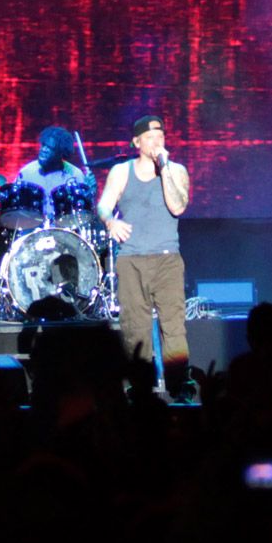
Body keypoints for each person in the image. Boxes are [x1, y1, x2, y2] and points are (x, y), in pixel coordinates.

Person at [96, 113, 192, 400]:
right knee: (134, 326)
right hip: (132, 259)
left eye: (160, 137)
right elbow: (103, 206)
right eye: (150, 137)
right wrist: (110, 222)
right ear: (136, 142)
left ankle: (179, 386)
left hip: (167, 259)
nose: (156, 142)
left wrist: (165, 169)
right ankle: (139, 387)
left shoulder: (176, 170)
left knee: (173, 324)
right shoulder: (121, 172)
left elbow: (177, 207)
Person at [13, 125, 92, 226]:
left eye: (50, 148)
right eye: (43, 145)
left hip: (65, 231)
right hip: (33, 229)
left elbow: (84, 210)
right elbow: (16, 207)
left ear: (61, 153)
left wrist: (91, 192)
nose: (44, 150)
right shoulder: (26, 173)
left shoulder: (74, 174)